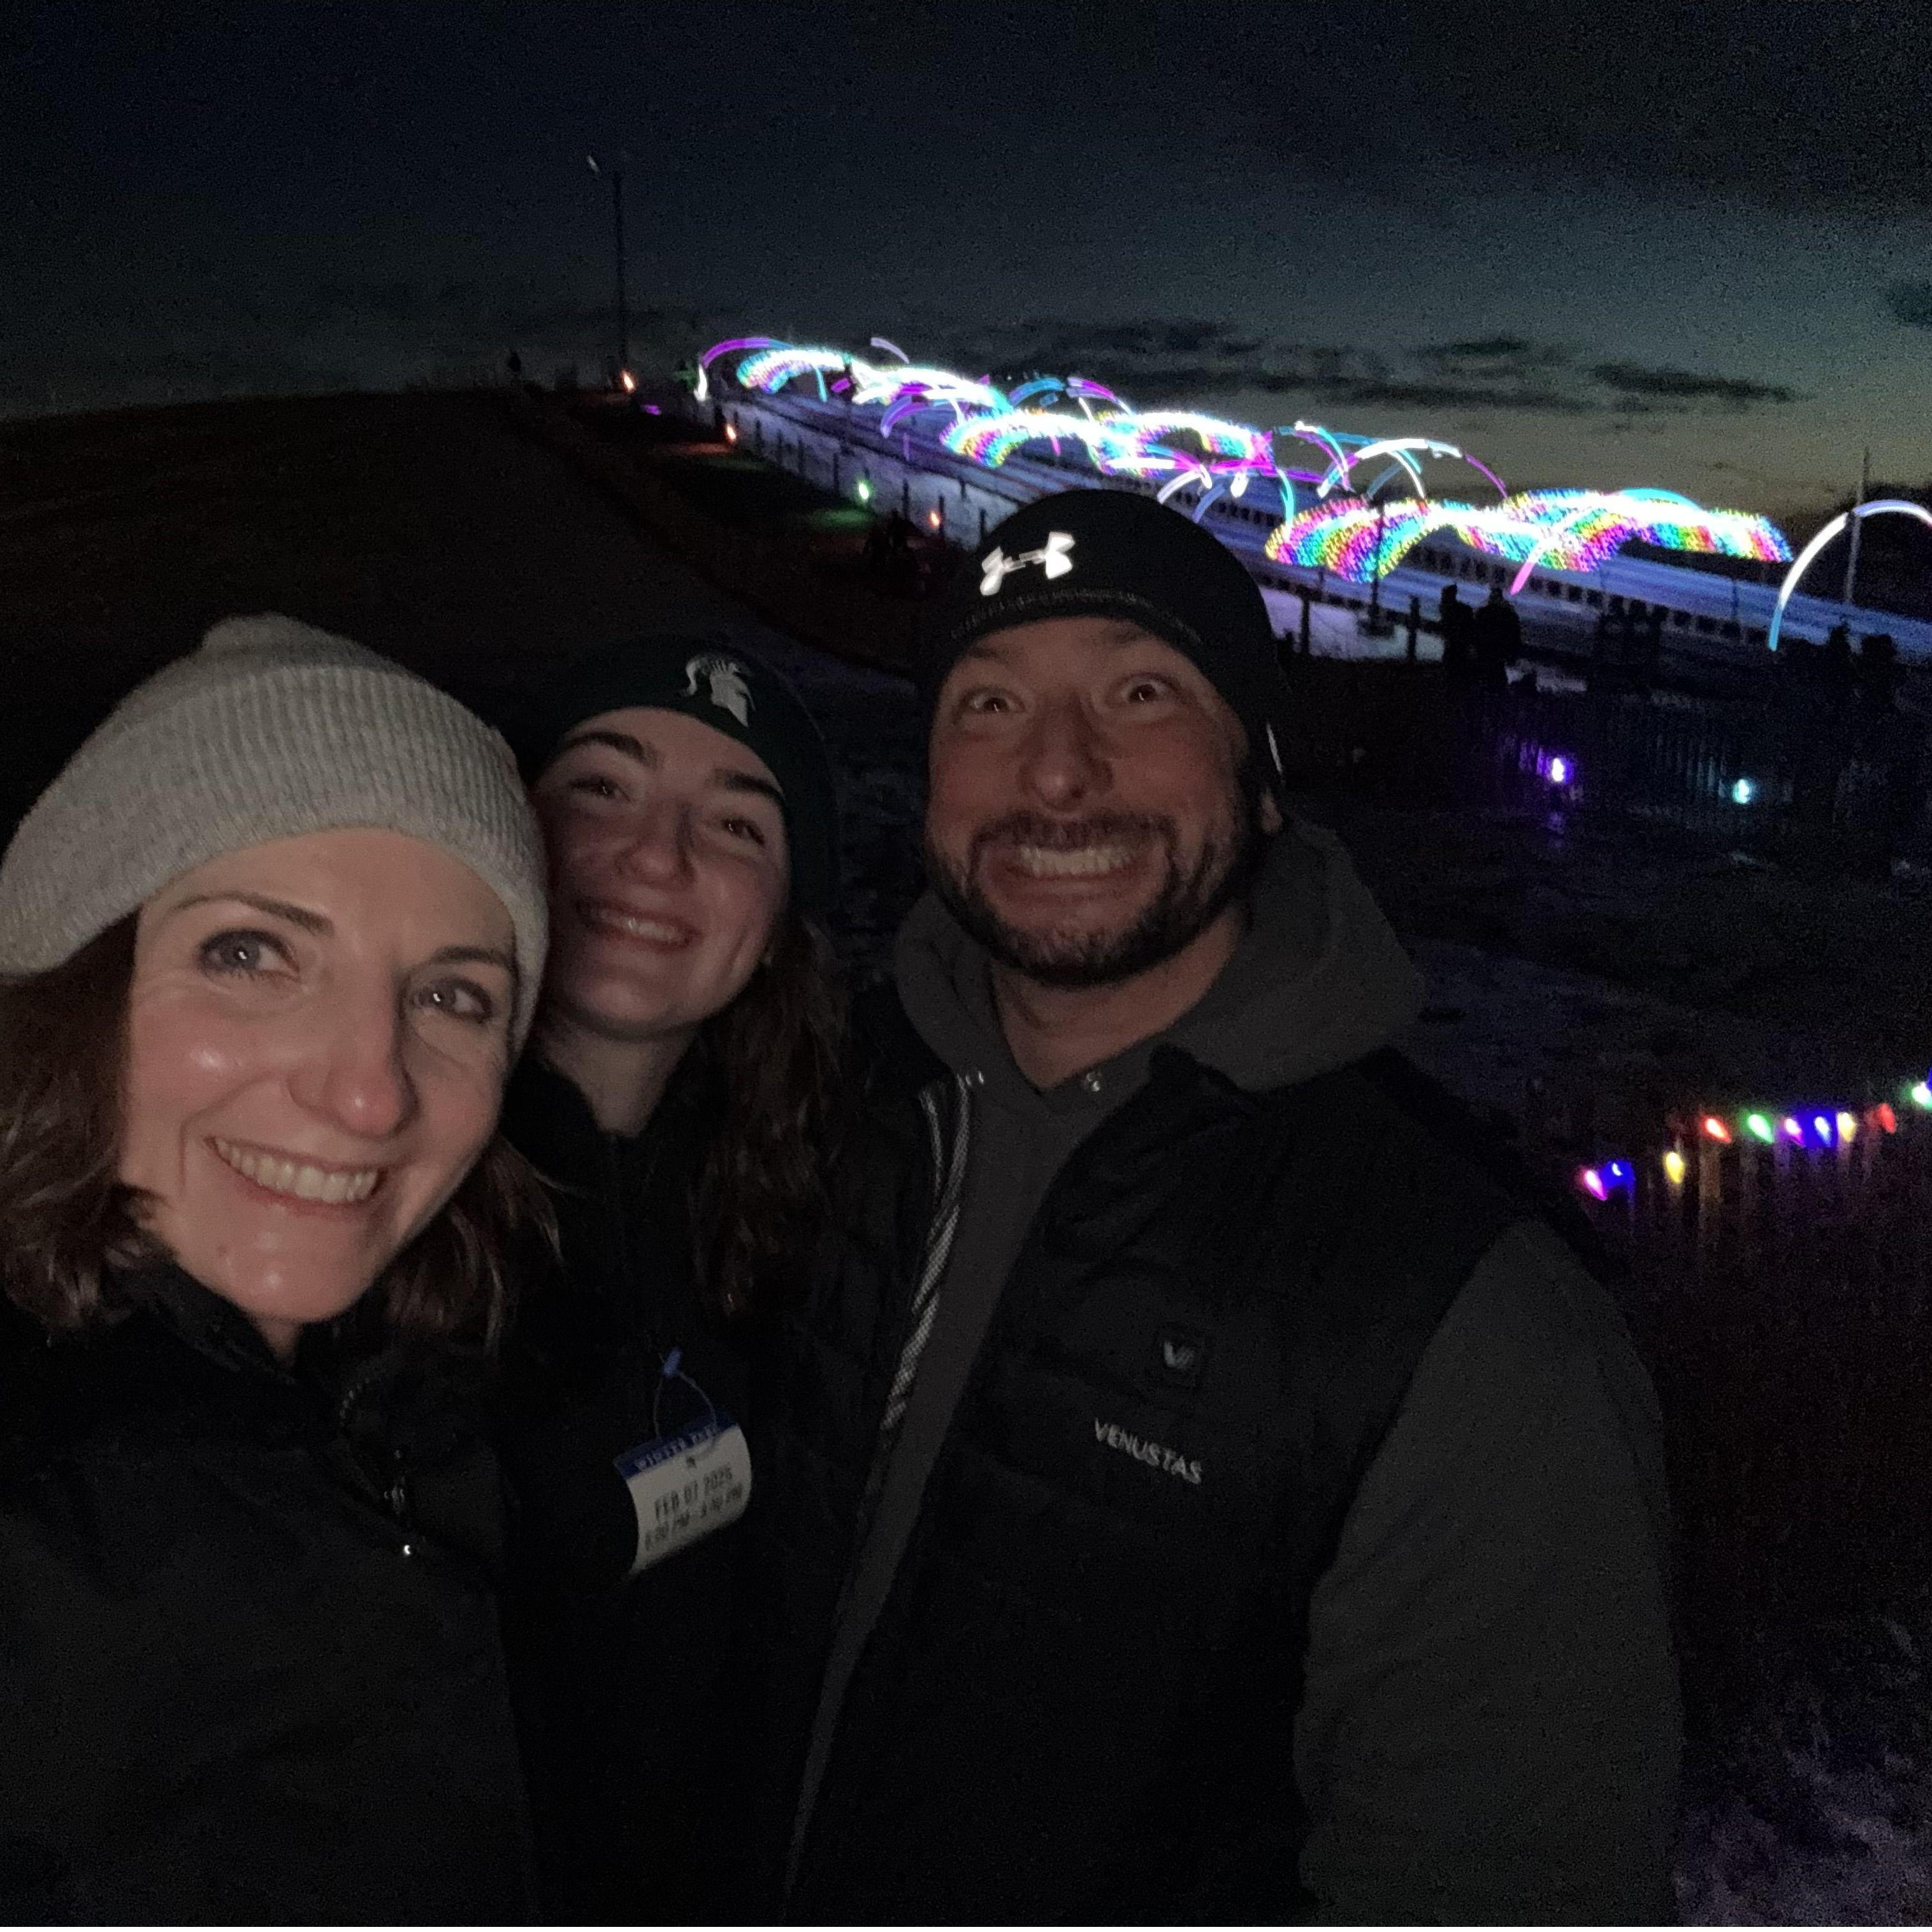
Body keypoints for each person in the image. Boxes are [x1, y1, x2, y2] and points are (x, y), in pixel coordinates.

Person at [756, 489, 1681, 1923]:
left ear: (1258, 778)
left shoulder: (1463, 1314)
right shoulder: (816, 1112)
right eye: (986, 703)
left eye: (1139, 690)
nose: (1055, 774)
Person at [0, 614, 551, 1922]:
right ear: (74, 981)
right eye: (248, 954)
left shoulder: (415, 1402)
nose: (368, 1092)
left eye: (453, 995)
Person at [491, 635, 846, 1924]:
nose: (658, 858)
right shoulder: (350, 1205)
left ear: (776, 929)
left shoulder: (811, 1211)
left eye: (738, 826)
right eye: (600, 787)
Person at [1474, 580, 1522, 689]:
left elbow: (1476, 632)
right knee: (1498, 677)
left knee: (1485, 677)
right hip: (1500, 653)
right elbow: (1515, 636)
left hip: (1486, 652)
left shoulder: (1483, 613)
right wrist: (1512, 656)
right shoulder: (1509, 615)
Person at [1438, 580, 1476, 691]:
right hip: (1461, 647)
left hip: (1454, 647)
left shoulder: (1447, 609)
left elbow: (1445, 628)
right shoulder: (1464, 610)